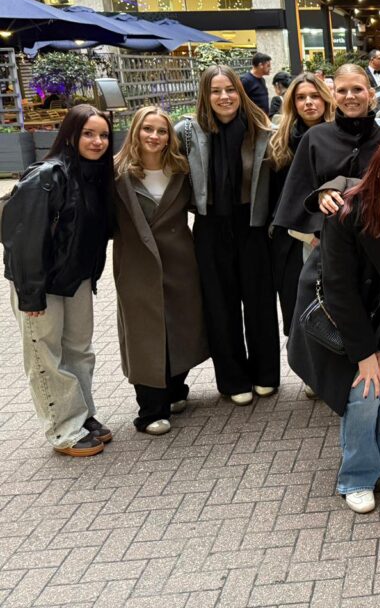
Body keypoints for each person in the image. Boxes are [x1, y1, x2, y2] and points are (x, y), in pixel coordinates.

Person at [290, 136, 380, 513]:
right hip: (345, 320)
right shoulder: (346, 211)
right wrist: (366, 355)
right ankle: (357, 474)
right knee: (364, 392)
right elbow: (340, 289)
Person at [2, 104, 115, 456]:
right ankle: (64, 429)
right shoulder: (47, 176)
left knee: (79, 351)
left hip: (76, 279)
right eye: (88, 134)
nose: (97, 142)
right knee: (45, 356)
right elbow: (23, 240)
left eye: (104, 135)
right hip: (41, 283)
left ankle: (83, 415)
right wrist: (31, 295)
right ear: (69, 135)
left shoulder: (96, 176)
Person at [176, 65, 278, 406]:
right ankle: (233, 379)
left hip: (253, 224)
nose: (224, 97)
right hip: (211, 226)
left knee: (260, 303)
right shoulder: (188, 132)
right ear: (205, 96)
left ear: (240, 92)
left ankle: (265, 374)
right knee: (220, 307)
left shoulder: (261, 129)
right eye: (216, 91)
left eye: (230, 89)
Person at [112, 106, 209, 436]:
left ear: (170, 136)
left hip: (179, 262)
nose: (154, 136)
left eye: (162, 130)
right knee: (144, 334)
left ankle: (175, 389)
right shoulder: (117, 174)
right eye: (147, 129)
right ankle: (150, 409)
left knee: (182, 326)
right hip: (137, 265)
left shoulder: (181, 170)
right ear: (135, 132)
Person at [273, 63, 380, 239]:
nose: (350, 96)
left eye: (357, 89)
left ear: (371, 93)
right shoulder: (315, 137)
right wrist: (310, 236)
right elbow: (296, 193)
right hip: (323, 243)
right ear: (334, 96)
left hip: (376, 240)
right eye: (342, 91)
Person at [267, 73, 334, 336]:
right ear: (292, 103)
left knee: (329, 316)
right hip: (289, 241)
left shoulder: (339, 137)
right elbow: (275, 196)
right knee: (297, 316)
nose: (308, 102)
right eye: (301, 97)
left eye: (315, 96)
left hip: (330, 238)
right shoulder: (280, 141)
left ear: (325, 99)